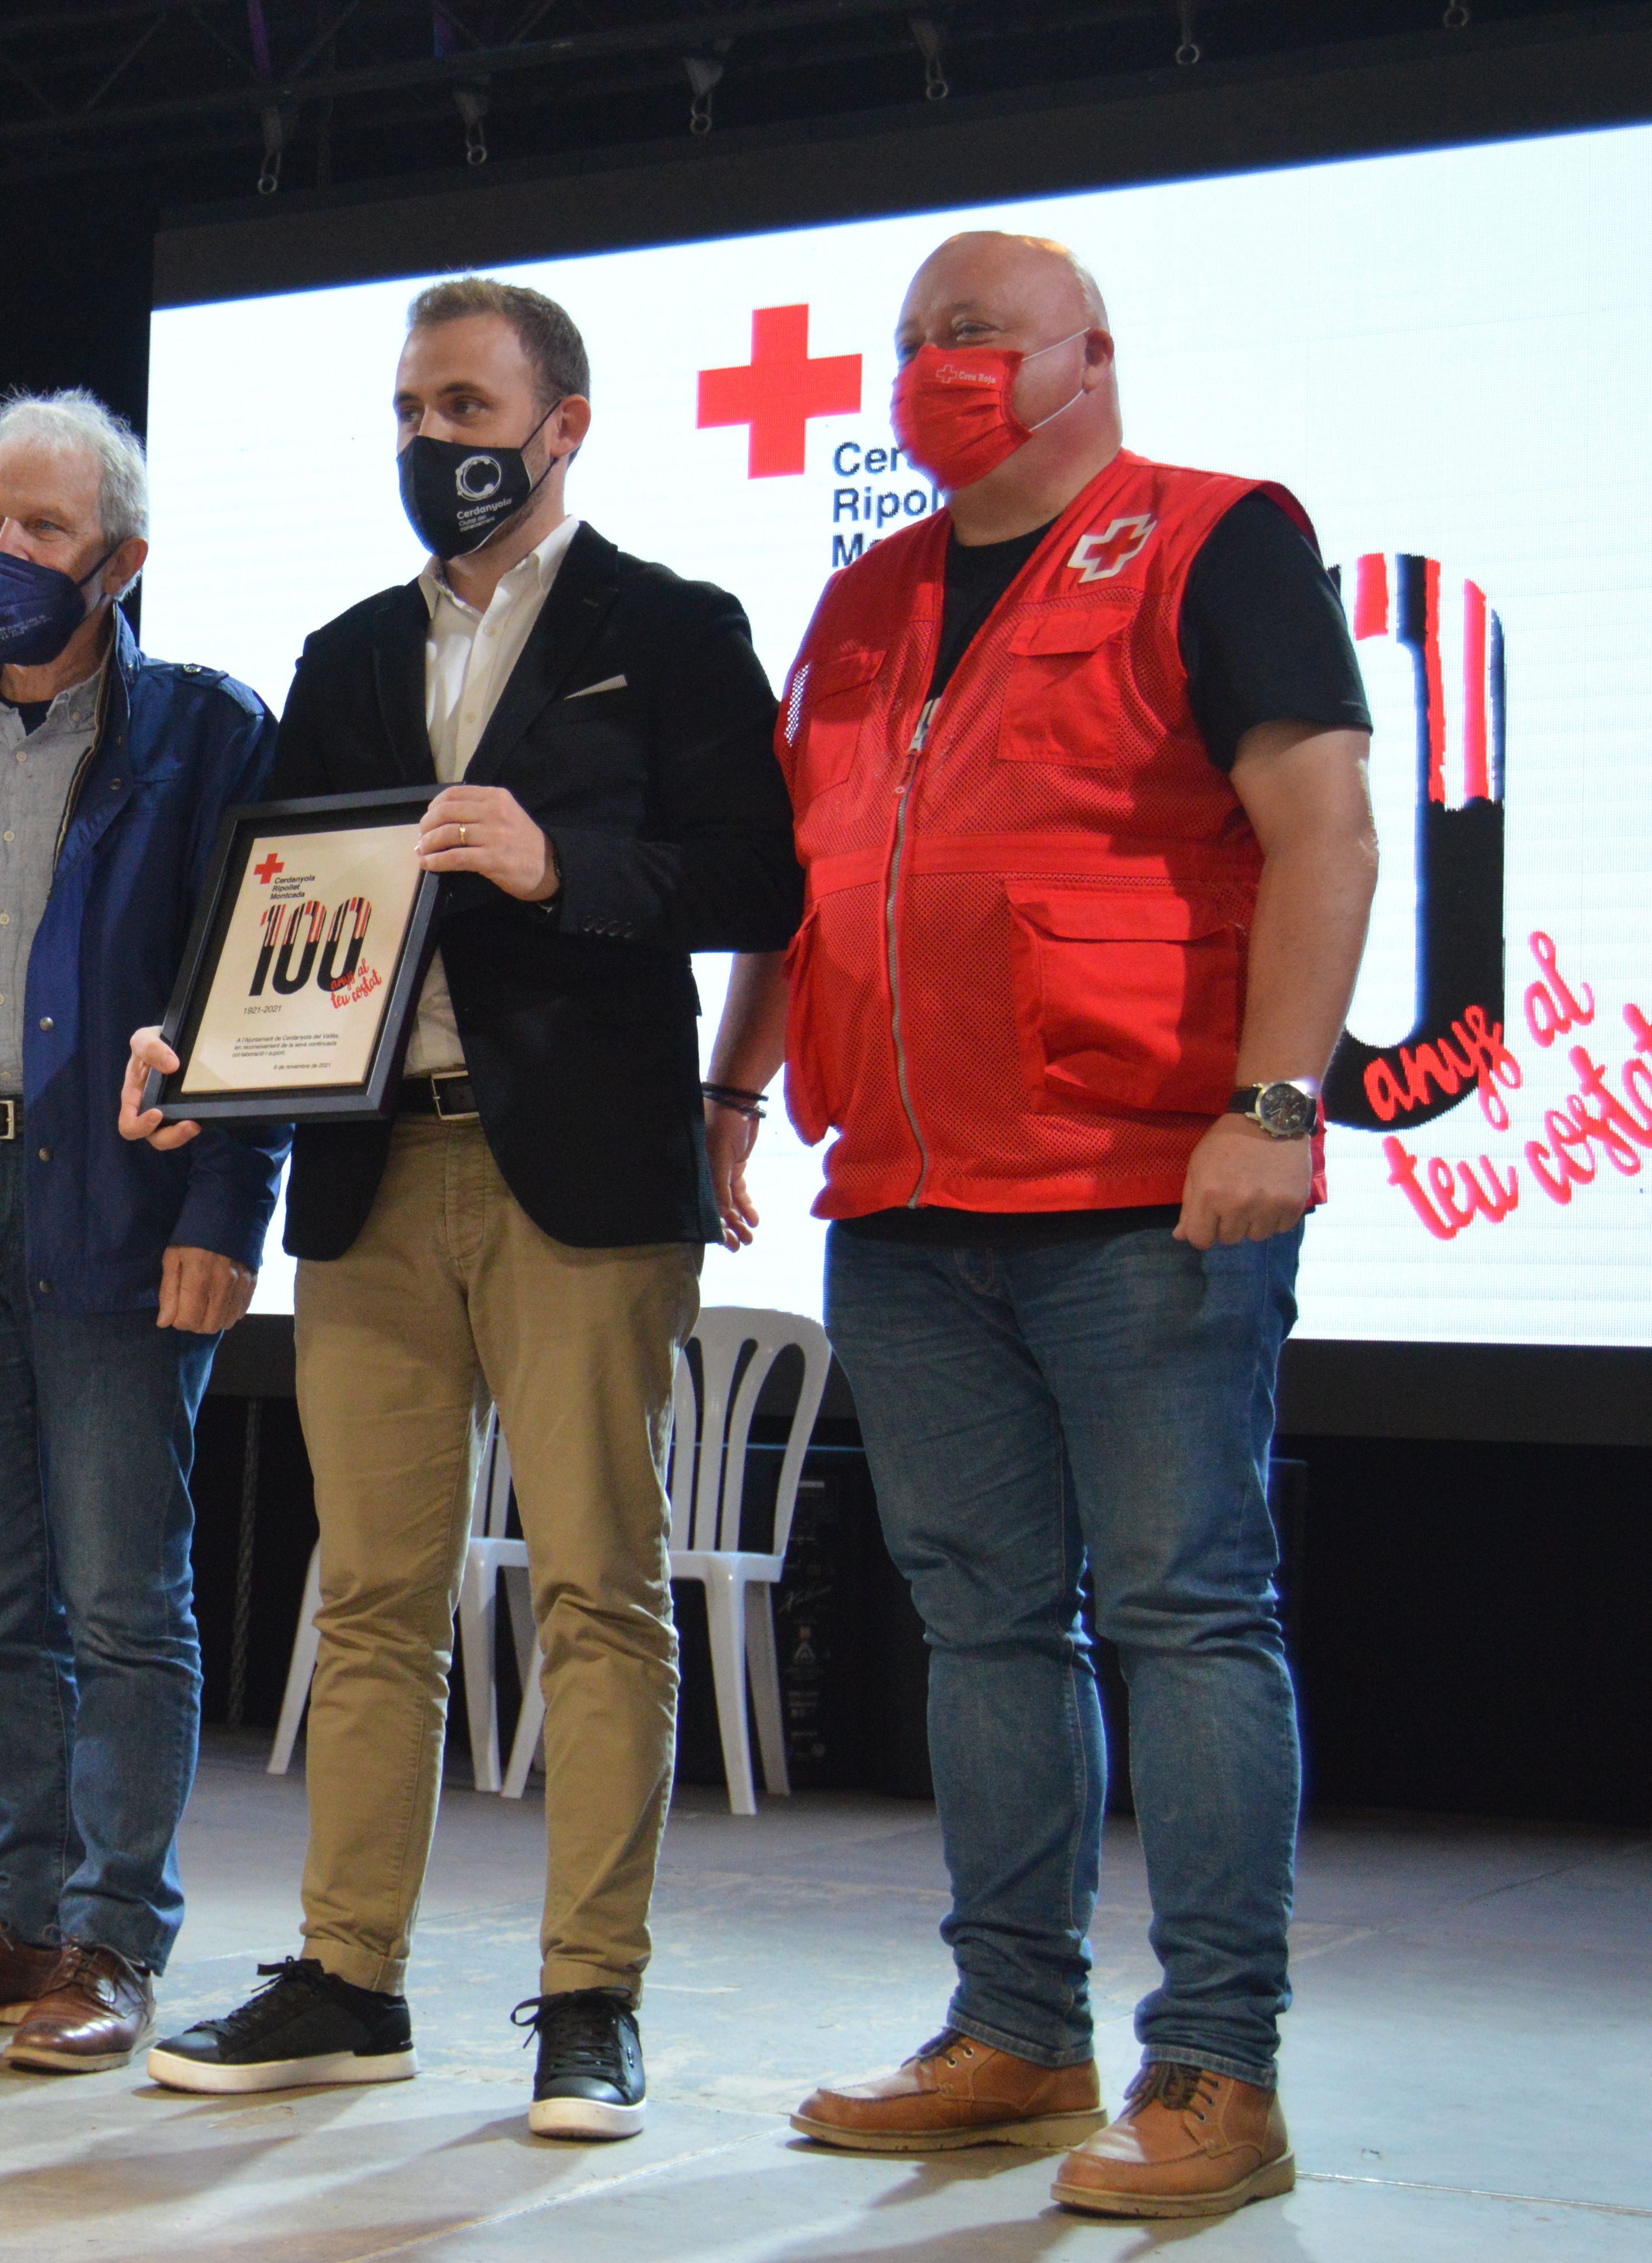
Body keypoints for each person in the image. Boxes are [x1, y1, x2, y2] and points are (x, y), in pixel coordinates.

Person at [714, 232, 1373, 2220]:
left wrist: (1273, 1107)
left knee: (1184, 1614)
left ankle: (1216, 2072)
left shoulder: (1213, 539)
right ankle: (1014, 2034)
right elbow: (798, 886)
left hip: (1145, 1194)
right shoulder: (857, 601)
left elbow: (1320, 825)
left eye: (975, 336)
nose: (936, 368)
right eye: (911, 343)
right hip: (904, 1204)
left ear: (1091, 353)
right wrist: (730, 1091)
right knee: (985, 1624)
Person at [121, 277, 801, 2135]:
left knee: (595, 1585)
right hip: (367, 1164)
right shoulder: (346, 650)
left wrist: (557, 859)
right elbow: (277, 891)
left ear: (562, 424)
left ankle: (589, 1999)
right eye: (410, 409)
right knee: (373, 1598)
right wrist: (185, 1038)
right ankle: (348, 1979)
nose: (434, 441)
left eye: (465, 405)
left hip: (577, 1162)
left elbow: (760, 874)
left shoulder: (665, 629)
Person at [0, 391, 281, 2075]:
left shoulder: (209, 730)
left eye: (41, 531)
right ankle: (16, 1913)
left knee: (120, 1596)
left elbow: (261, 992)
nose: (1, 557)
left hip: (121, 1204)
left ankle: (111, 1934)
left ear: (123, 558)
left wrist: (231, 1199)